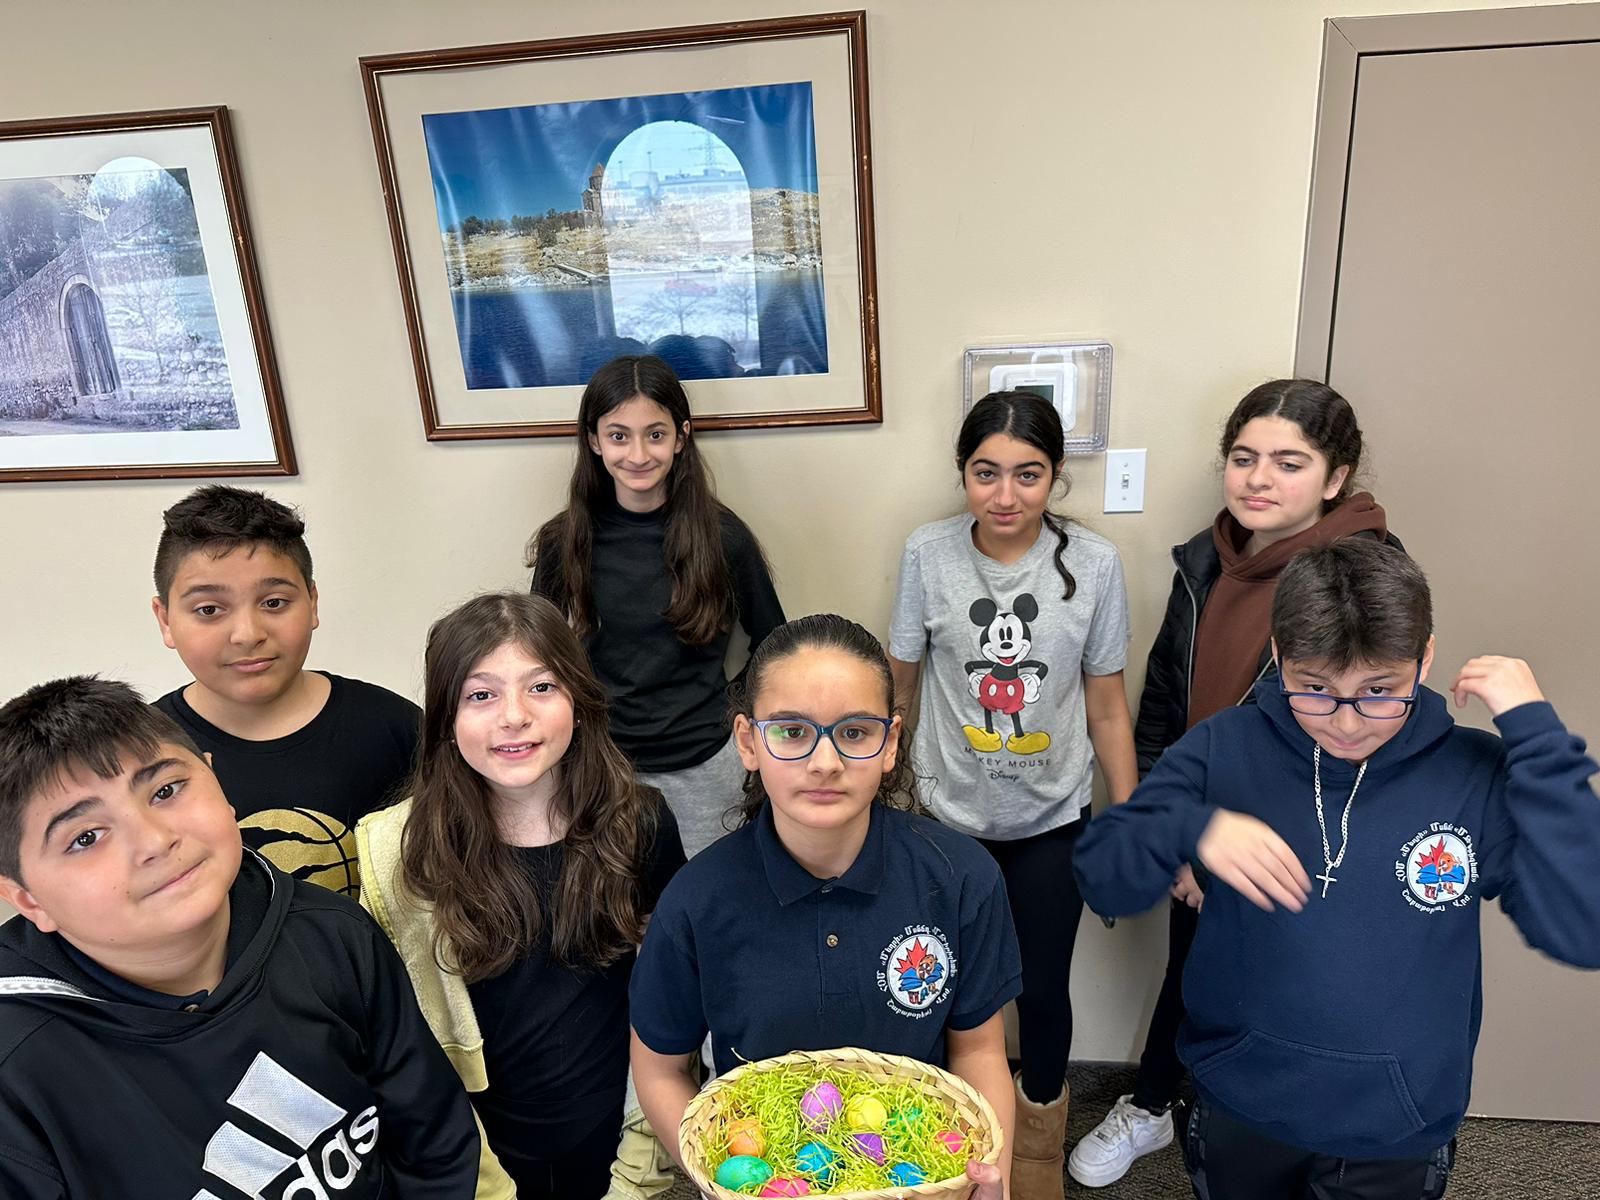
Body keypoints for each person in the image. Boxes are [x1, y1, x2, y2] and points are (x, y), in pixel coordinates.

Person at [1073, 540, 1600, 1200]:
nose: (1347, 723)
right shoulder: (1222, 747)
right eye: (1316, 689)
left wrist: (1538, 738)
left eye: (1380, 691)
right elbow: (1104, 879)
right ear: (1278, 657)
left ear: (1425, 659)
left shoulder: (1473, 772)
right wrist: (1187, 827)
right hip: (1242, 1102)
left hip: (1398, 1123)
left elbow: (1584, 929)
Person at [1070, 378, 1398, 1187]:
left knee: (1284, 992)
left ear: (1335, 477)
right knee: (1193, 974)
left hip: (1298, 841)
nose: (1258, 478)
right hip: (1200, 820)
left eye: (1289, 462)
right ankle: (1153, 1106)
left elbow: (1355, 737)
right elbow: (1162, 708)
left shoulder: (1364, 574)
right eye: (1244, 457)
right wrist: (1174, 831)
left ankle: (1270, 1137)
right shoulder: (1202, 565)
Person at [0, 676, 479, 1198]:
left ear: (214, 776)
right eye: (86, 837)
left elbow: (434, 1144)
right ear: (27, 899)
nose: (155, 841)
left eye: (165, 790)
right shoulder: (18, 1069)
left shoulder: (334, 934)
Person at [629, 614, 1022, 1193]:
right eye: (791, 731)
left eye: (855, 733)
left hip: (919, 1173)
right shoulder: (695, 900)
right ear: (748, 743)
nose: (825, 762)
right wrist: (722, 1181)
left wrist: (993, 1179)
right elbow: (659, 1069)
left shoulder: (962, 876)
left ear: (890, 743)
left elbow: (980, 1050)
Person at [888, 390, 1137, 1198]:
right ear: (962, 472)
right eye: (985, 472)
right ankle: (939, 1150)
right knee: (934, 985)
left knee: (1041, 989)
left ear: (1055, 476)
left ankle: (1032, 1159)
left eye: (1027, 474)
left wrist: (1129, 820)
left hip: (1051, 821)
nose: (1005, 495)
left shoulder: (1093, 565)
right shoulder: (928, 553)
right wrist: (880, 796)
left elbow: (1107, 707)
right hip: (942, 817)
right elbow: (900, 689)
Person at [357, 593, 684, 1200]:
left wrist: (640, 1164)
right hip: (478, 1146)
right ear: (446, 721)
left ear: (579, 703)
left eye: (542, 687)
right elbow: (400, 1047)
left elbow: (669, 997)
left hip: (613, 1128)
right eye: (481, 695)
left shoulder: (640, 822)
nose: (514, 716)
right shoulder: (399, 853)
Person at [529, 354, 784, 859]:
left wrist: (729, 706)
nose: (638, 454)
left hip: (707, 764)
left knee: (708, 894)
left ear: (682, 437)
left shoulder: (724, 537)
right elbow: (536, 654)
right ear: (594, 441)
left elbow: (775, 642)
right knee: (616, 898)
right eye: (619, 436)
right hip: (602, 765)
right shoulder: (565, 541)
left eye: (656, 434)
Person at [151, 485, 420, 897]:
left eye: (274, 603)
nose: (247, 634)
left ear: (312, 603)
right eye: (209, 610)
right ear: (166, 620)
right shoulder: (139, 752)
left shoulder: (396, 727)